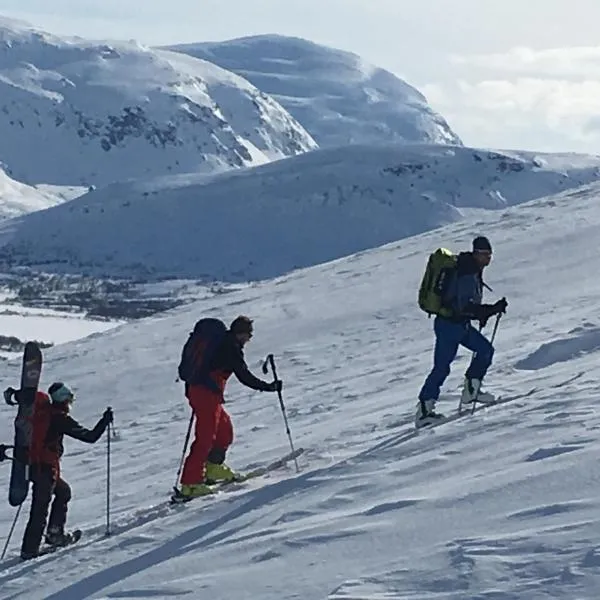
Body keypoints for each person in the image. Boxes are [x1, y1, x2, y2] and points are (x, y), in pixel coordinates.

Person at [179, 316, 281, 499]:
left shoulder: (224, 343)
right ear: (241, 334)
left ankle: (213, 468)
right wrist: (268, 387)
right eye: (248, 336)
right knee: (205, 437)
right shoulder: (230, 348)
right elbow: (244, 376)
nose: (249, 340)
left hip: (205, 392)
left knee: (224, 431)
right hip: (205, 393)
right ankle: (190, 484)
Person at [416, 236, 508, 427]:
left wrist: (484, 312)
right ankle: (425, 411)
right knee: (442, 367)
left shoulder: (471, 269)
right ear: (476, 254)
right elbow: (464, 306)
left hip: (457, 325)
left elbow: (467, 306)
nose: (488, 258)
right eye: (485, 254)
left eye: (489, 254)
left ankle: (471, 390)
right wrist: (489, 310)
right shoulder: (467, 272)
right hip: (450, 326)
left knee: (484, 350)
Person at [20, 383, 113, 560]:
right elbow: (89, 437)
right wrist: (104, 421)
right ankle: (30, 549)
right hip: (45, 469)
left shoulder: (43, 413)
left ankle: (55, 533)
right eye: (69, 400)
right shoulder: (59, 418)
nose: (70, 404)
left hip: (34, 466)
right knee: (40, 508)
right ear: (64, 400)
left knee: (63, 492)